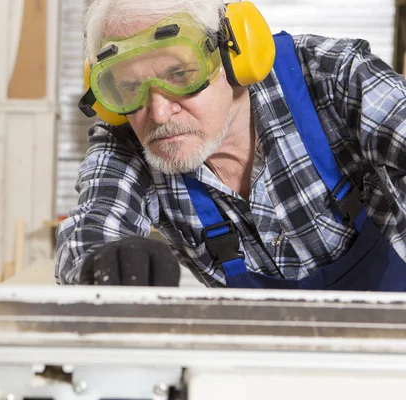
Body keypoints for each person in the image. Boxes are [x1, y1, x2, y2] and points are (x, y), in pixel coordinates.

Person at [55, 0, 406, 290]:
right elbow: (94, 226)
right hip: (260, 362)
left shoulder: (331, 76)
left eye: (179, 74)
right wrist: (104, 264)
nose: (159, 114)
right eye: (130, 86)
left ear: (232, 54)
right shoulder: (128, 139)